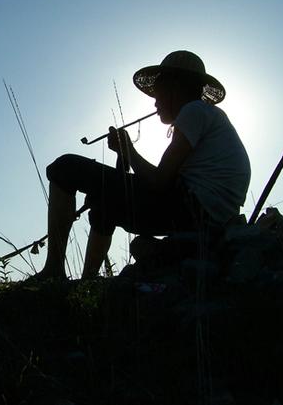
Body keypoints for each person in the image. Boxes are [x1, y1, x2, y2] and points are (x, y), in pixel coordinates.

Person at [34, 50, 251, 280]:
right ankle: (87, 281)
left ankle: (53, 271)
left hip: (191, 211)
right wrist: (124, 157)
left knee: (66, 167)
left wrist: (128, 151)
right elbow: (157, 183)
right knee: (104, 204)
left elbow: (159, 182)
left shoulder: (194, 111)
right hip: (202, 215)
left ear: (175, 88)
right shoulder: (208, 118)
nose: (155, 103)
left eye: (158, 95)